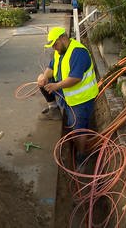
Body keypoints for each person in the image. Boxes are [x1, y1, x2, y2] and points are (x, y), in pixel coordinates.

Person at [37, 27, 99, 167]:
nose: (54, 48)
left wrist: (56, 86)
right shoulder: (60, 51)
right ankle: (54, 109)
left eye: (55, 44)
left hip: (81, 100)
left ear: (62, 38)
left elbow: (75, 78)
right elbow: (51, 67)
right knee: (42, 82)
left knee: (78, 130)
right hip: (66, 95)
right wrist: (44, 76)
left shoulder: (78, 52)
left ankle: (81, 155)